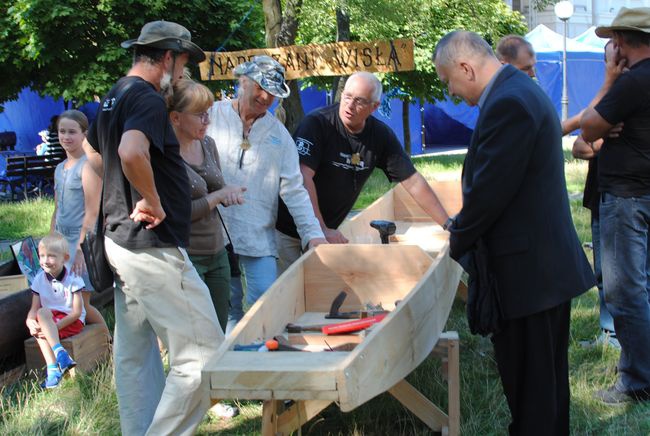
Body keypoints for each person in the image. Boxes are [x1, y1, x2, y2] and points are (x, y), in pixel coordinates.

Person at [433, 31, 594, 434]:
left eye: (448, 80)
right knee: (544, 388)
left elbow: (490, 193)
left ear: (466, 68)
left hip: (529, 274)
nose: (452, 92)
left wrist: (452, 241)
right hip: (538, 269)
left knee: (533, 393)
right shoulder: (518, 88)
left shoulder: (508, 101)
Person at [83, 21, 224, 435]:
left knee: (136, 355)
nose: (181, 75)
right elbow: (129, 152)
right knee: (203, 355)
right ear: (167, 57)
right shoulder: (145, 96)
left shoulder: (115, 94)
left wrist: (107, 207)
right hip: (151, 246)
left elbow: (94, 155)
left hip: (121, 241)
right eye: (182, 64)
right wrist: (151, 198)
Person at [275, 72, 449, 271]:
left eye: (359, 101)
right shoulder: (317, 123)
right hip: (288, 228)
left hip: (326, 230)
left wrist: (448, 224)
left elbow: (413, 181)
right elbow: (303, 177)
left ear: (374, 106)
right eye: (347, 96)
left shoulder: (380, 136)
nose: (349, 105)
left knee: (320, 292)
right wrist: (320, 229)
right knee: (286, 293)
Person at [207, 56, 326, 332]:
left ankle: (262, 356)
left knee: (267, 301)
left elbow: (295, 190)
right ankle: (232, 366)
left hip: (258, 233)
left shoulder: (279, 136)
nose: (264, 97)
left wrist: (313, 235)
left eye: (271, 93)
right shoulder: (212, 115)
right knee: (227, 306)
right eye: (259, 88)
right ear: (242, 82)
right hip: (215, 232)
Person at [581, 6, 650, 405]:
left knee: (625, 292)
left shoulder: (633, 82)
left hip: (626, 198)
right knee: (644, 287)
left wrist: (605, 109)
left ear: (621, 41)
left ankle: (638, 380)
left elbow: (589, 128)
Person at [571, 41, 623, 349]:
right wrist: (601, 139)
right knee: (604, 271)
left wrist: (596, 138)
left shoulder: (635, 96)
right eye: (611, 60)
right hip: (598, 196)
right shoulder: (607, 99)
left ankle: (624, 338)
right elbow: (579, 146)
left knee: (628, 275)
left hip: (626, 198)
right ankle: (608, 334)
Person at [50, 110, 108, 334]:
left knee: (81, 303)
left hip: (80, 242)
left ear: (84, 134)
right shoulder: (59, 168)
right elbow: (57, 208)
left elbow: (92, 210)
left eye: (72, 132)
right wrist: (51, 239)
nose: (66, 137)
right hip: (62, 241)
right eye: (62, 132)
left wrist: (82, 249)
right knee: (63, 299)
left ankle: (108, 340)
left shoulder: (87, 166)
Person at [26, 233, 85, 389]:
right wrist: (29, 321)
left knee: (43, 330)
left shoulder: (73, 278)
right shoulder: (39, 278)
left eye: (51, 256)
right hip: (50, 318)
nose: (45, 261)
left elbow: (77, 313)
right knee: (40, 315)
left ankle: (53, 370)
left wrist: (52, 328)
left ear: (64, 258)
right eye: (42, 256)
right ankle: (60, 355)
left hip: (71, 320)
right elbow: (34, 308)